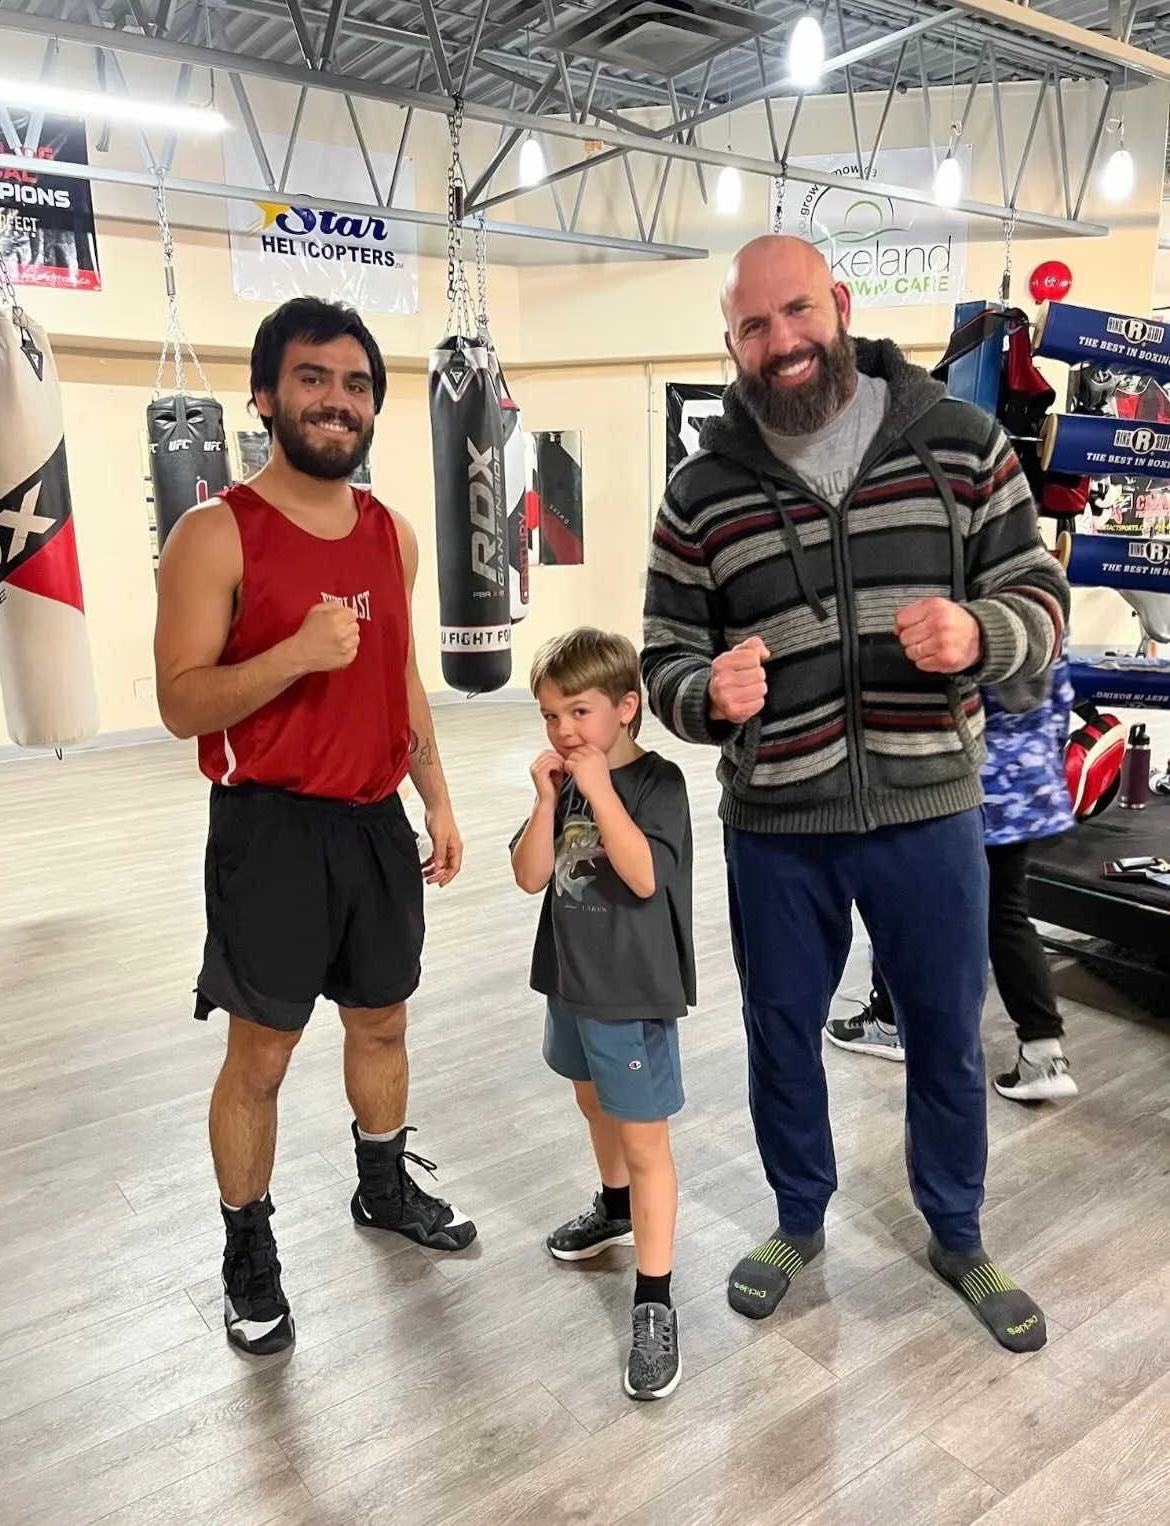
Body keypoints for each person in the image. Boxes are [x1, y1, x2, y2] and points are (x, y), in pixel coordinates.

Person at [641, 235, 1071, 1355]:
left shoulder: (962, 443)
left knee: (943, 1027)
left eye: (795, 313)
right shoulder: (700, 493)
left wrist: (983, 631)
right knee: (782, 1030)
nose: (779, 342)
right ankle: (797, 1218)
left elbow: (1040, 600)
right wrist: (705, 692)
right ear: (729, 341)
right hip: (779, 821)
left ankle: (959, 1228)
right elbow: (663, 659)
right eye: (752, 327)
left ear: (838, 303)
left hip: (931, 805)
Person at [154, 295, 475, 1358]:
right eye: (312, 378)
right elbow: (182, 702)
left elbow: (403, 679)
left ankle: (382, 1187)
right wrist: (292, 652)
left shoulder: (393, 533)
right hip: (272, 832)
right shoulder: (215, 534)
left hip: (374, 823)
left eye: (355, 384)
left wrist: (435, 793)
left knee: (382, 1022)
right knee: (263, 1052)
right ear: (265, 394)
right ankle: (249, 1248)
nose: (336, 401)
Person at [510, 629, 694, 1400]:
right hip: (571, 981)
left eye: (578, 712)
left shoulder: (658, 783)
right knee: (591, 1103)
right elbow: (528, 878)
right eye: (551, 716)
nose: (564, 732)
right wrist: (549, 799)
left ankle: (654, 1298)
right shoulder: (569, 785)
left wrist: (600, 789)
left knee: (643, 1136)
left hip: (630, 991)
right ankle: (614, 1208)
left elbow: (645, 875)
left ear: (626, 707)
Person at [827, 653, 1080, 1103]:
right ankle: (1044, 1052)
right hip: (1027, 789)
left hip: (961, 792)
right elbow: (1061, 703)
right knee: (1007, 917)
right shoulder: (1041, 620)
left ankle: (889, 1022)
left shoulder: (964, 626)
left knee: (901, 907)